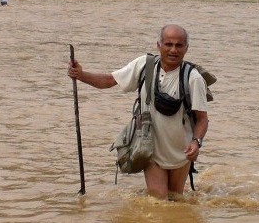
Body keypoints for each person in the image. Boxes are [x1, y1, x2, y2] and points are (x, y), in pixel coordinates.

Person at [67, 24, 209, 200]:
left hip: (182, 152)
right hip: (150, 151)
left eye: (179, 45)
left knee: (175, 199)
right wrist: (81, 75)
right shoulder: (144, 65)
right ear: (158, 45)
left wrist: (196, 142)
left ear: (186, 48)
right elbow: (109, 80)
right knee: (159, 202)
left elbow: (202, 119)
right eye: (168, 44)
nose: (173, 50)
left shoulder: (193, 79)